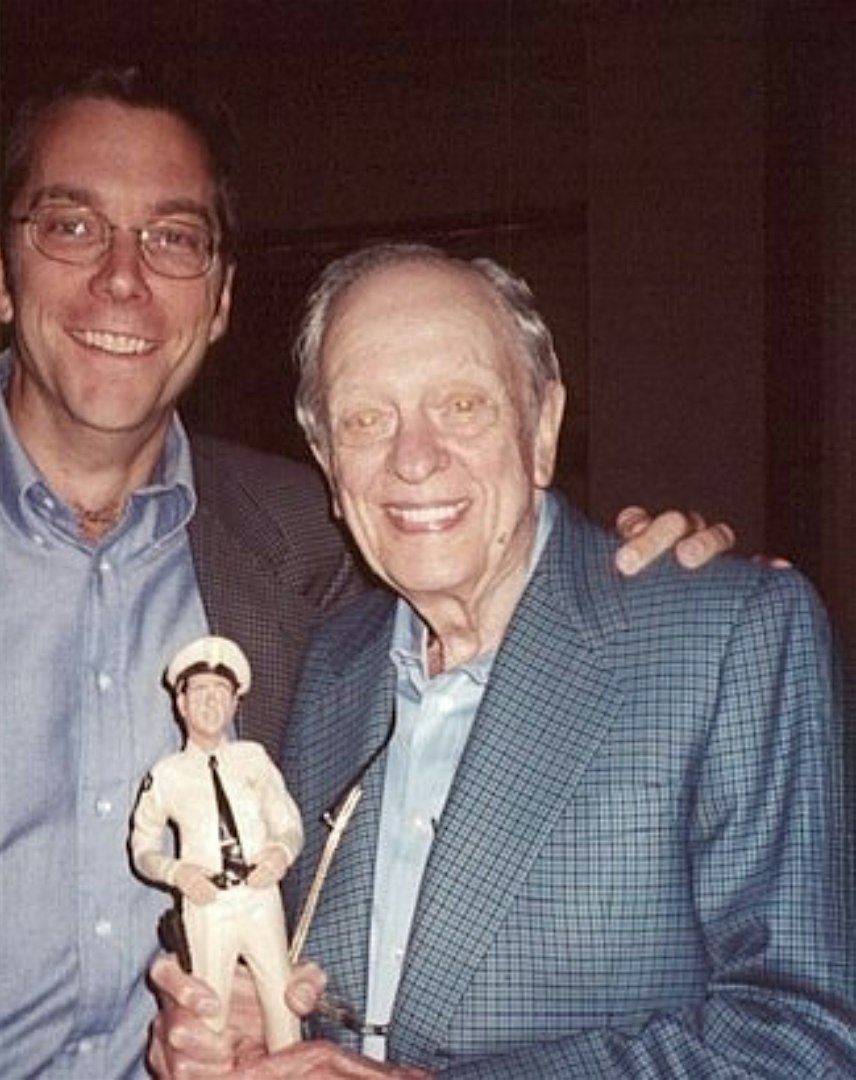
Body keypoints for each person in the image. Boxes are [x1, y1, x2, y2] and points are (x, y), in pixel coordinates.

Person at [0, 64, 734, 1080]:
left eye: (173, 237)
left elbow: (485, 558)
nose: (122, 277)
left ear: (223, 298)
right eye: (71, 226)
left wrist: (658, 573)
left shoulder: (321, 545)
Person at [148, 244, 855, 1078]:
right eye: (366, 419)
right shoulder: (329, 664)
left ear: (542, 428)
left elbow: (804, 1042)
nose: (414, 458)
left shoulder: (729, 637)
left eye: (461, 404)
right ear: (328, 463)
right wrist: (253, 1030)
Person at [131, 636, 303, 1052]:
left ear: (235, 703)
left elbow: (289, 823)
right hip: (208, 904)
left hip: (260, 896)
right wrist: (177, 872)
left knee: (282, 1000)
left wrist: (280, 854)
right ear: (181, 703)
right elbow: (143, 848)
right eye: (200, 692)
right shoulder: (167, 774)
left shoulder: (254, 759)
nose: (211, 703)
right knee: (210, 1011)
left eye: (222, 692)